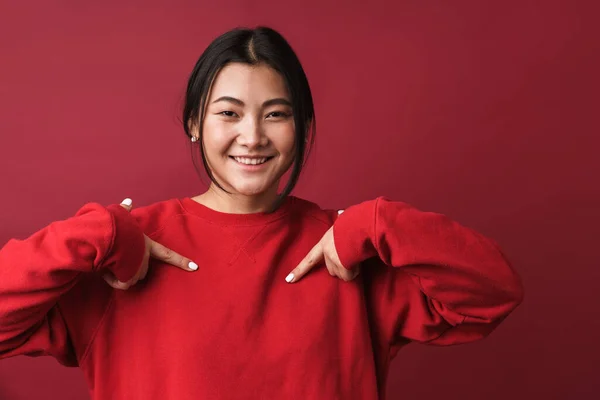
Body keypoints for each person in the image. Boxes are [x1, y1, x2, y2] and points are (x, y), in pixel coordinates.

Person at [0, 26, 524, 400]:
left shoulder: (348, 252)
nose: (252, 136)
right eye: (228, 113)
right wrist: (101, 233)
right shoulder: (125, 256)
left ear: (304, 127)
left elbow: (493, 293)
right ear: (192, 123)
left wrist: (378, 223)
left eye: (276, 114)